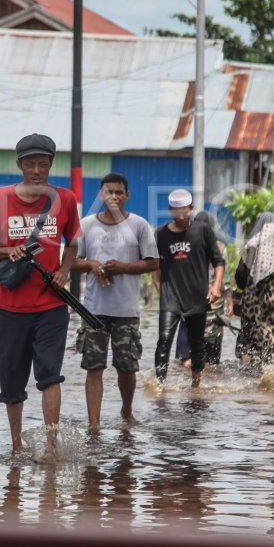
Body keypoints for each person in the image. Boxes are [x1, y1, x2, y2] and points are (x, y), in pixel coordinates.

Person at [0, 133, 81, 455]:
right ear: (19, 165)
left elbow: (73, 241)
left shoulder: (65, 199)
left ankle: (50, 447)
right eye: (31, 164)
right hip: (7, 308)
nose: (37, 170)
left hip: (51, 306)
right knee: (12, 385)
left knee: (51, 376)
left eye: (43, 164)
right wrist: (10, 251)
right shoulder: (0, 197)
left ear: (50, 165)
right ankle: (17, 447)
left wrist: (64, 270)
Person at [72, 173, 159, 430]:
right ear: (100, 194)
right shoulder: (86, 225)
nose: (113, 197)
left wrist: (122, 267)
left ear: (127, 195)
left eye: (119, 192)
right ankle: (94, 424)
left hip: (126, 310)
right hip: (94, 310)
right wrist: (92, 264)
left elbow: (153, 262)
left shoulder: (139, 225)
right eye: (109, 192)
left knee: (127, 368)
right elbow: (71, 262)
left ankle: (126, 411)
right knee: (93, 367)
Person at [152, 189, 225, 389]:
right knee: (164, 340)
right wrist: (161, 290)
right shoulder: (161, 234)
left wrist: (216, 286)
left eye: (185, 212)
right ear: (170, 210)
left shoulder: (203, 230)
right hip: (170, 298)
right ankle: (159, 385)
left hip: (196, 298)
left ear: (191, 209)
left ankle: (196, 385)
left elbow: (218, 261)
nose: (181, 216)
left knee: (197, 344)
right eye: (176, 212)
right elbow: (155, 268)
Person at [234, 211, 274, 366]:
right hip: (272, 302)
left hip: (251, 303)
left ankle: (247, 377)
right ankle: (268, 377)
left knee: (247, 342)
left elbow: (241, 275)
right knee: (270, 339)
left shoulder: (252, 244)